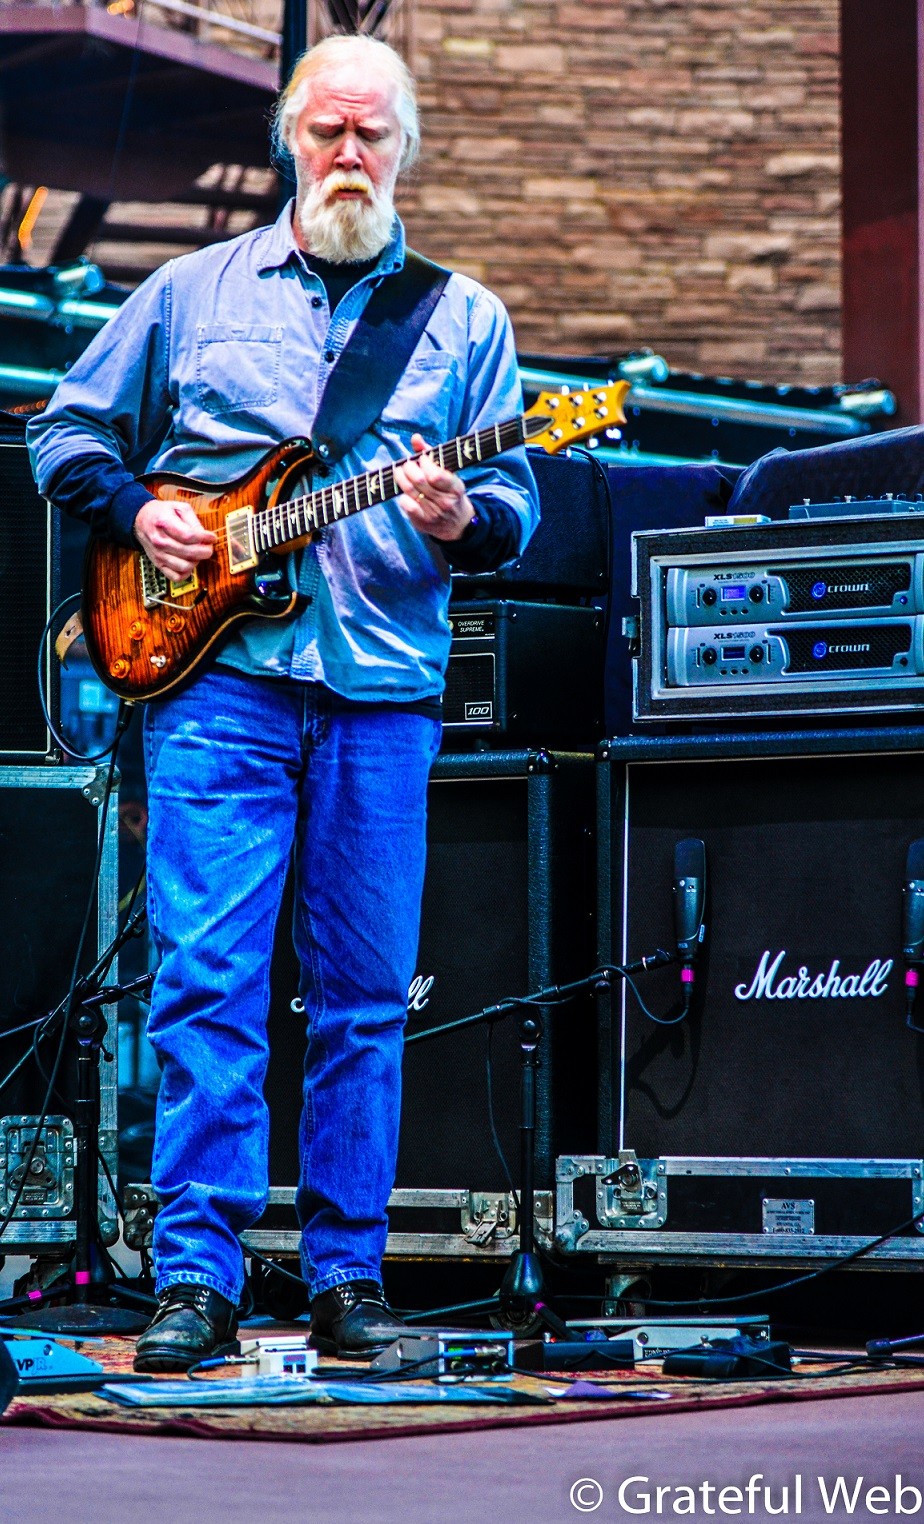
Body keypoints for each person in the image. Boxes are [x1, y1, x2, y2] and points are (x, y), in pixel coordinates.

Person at [28, 33, 539, 1371]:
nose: (350, 154)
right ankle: (194, 1280)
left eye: (374, 133)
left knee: (365, 996)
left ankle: (345, 1279)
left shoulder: (465, 320)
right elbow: (63, 430)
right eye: (328, 131)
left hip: (380, 693)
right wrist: (138, 509)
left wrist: (464, 515)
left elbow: (517, 512)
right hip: (219, 689)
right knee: (209, 983)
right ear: (288, 141)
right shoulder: (191, 292)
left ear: (406, 149)